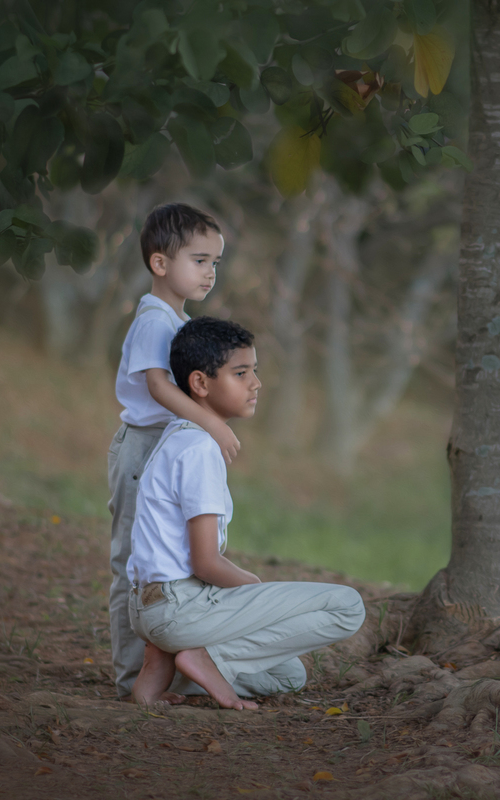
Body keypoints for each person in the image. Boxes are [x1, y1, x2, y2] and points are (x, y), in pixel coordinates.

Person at [127, 317, 366, 709]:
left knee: (288, 676)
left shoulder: (177, 434)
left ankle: (165, 667)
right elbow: (204, 563)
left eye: (255, 371)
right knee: (347, 606)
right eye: (241, 373)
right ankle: (203, 659)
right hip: (178, 606)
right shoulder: (200, 449)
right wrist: (255, 589)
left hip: (151, 608)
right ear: (201, 384)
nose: (255, 383)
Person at [107, 203, 240, 700]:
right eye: (199, 260)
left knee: (173, 561)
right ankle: (130, 677)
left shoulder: (177, 319)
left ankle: (173, 666)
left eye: (215, 263)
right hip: (142, 450)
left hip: (164, 449)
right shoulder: (153, 320)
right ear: (160, 263)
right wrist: (213, 425)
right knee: (136, 565)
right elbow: (160, 389)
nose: (209, 273)